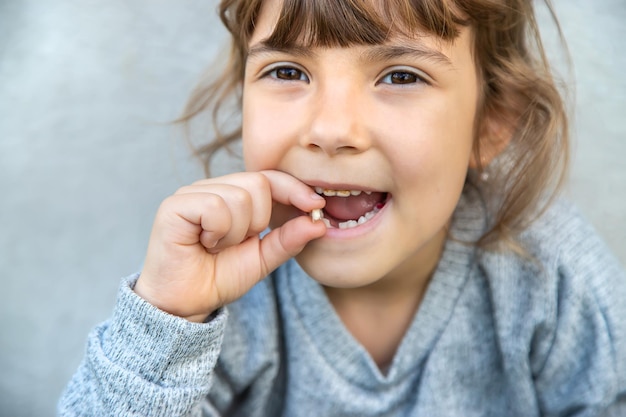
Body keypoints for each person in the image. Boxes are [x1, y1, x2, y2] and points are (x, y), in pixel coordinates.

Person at [58, 0, 626, 415]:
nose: (330, 130)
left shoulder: (551, 278)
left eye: (401, 75)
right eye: (287, 72)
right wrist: (170, 321)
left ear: (491, 122)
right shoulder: (222, 291)